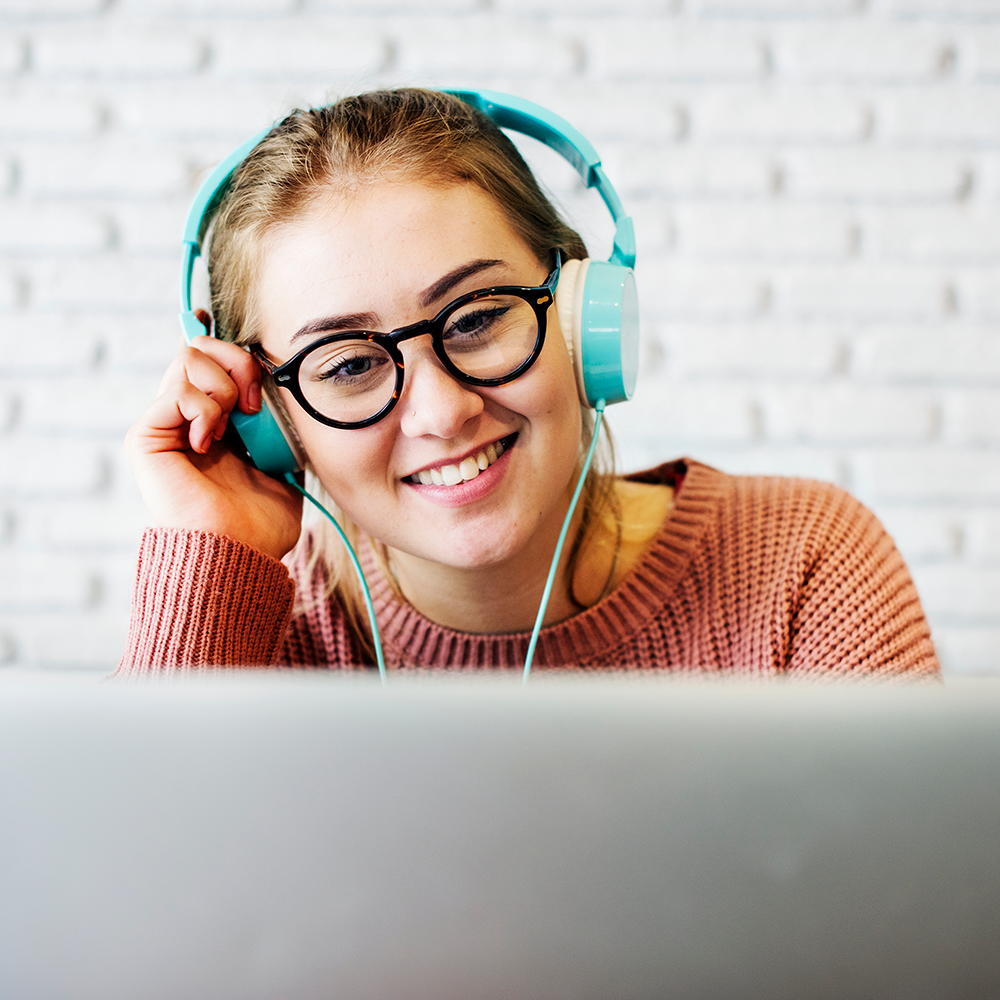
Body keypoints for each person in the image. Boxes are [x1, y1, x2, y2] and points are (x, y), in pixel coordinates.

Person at [118, 88, 939, 678]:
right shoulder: (250, 646)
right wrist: (209, 561)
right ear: (273, 421)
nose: (441, 411)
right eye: (351, 365)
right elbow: (122, 913)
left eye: (476, 318)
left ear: (583, 319)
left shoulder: (802, 564)